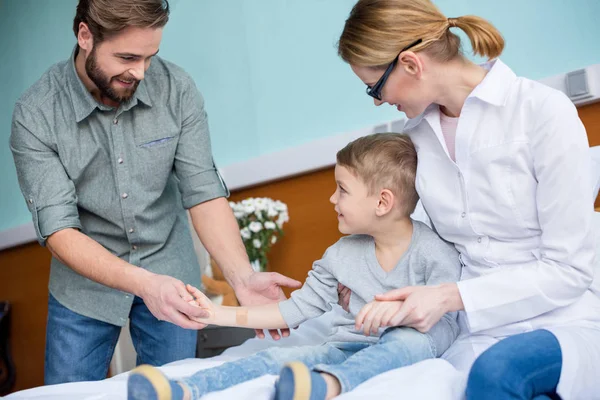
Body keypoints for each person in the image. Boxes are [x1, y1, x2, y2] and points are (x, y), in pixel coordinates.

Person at [9, 0, 300, 385]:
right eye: (127, 56)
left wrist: (243, 278)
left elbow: (203, 193)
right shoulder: (36, 114)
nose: (141, 72)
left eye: (150, 57)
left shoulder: (176, 89)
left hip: (171, 268)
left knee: (174, 390)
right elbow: (59, 231)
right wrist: (146, 284)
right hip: (83, 287)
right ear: (85, 36)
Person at [336, 0, 600, 399]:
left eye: (375, 86)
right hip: (473, 329)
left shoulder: (542, 113)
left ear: (410, 63)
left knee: (498, 374)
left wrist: (448, 296)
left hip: (561, 320)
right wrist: (363, 283)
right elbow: (419, 246)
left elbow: (569, 269)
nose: (376, 100)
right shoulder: (415, 143)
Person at [126, 133, 462, 400]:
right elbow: (291, 311)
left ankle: (329, 386)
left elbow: (447, 322)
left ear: (382, 202)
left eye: (342, 190)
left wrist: (400, 314)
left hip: (410, 344)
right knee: (272, 358)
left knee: (408, 343)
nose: (332, 199)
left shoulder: (433, 252)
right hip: (344, 346)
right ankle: (183, 390)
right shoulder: (340, 256)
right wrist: (213, 315)